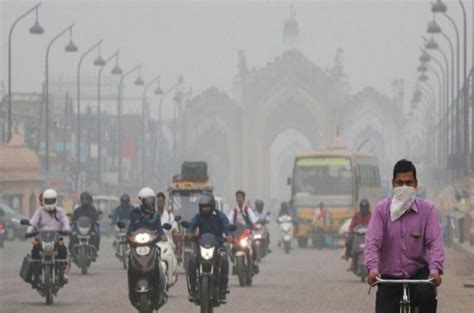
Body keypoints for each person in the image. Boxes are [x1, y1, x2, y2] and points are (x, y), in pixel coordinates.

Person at [365, 159, 444, 313]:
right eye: (400, 183)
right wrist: (372, 269)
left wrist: (435, 269)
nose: (404, 187)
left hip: (418, 274)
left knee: (428, 296)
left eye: (409, 183)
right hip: (389, 277)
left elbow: (435, 242)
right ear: (393, 184)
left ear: (416, 185)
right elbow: (372, 242)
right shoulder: (382, 210)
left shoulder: (427, 210)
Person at [186, 193, 232, 302]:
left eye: (207, 206)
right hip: (202, 246)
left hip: (218, 246)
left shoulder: (219, 215)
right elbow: (191, 226)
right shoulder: (199, 216)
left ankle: (222, 289)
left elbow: (226, 226)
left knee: (224, 260)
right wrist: (189, 233)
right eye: (203, 206)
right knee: (192, 260)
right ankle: (193, 290)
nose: (204, 209)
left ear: (212, 206)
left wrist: (229, 235)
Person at [127, 187, 167, 306]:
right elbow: (130, 230)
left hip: (151, 246)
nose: (150, 202)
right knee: (130, 262)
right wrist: (126, 237)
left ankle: (160, 288)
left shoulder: (155, 216)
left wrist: (162, 236)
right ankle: (132, 292)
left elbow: (159, 230)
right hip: (137, 246)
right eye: (147, 200)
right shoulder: (135, 214)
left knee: (159, 264)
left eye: (151, 200)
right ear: (142, 201)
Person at [27, 189, 70, 287]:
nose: (50, 203)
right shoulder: (39, 211)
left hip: (56, 237)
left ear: (55, 200)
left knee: (63, 249)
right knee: (34, 250)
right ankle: (36, 274)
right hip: (41, 237)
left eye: (52, 200)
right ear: (43, 200)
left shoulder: (60, 211)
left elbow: (65, 221)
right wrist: (29, 230)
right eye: (48, 200)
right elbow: (33, 222)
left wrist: (67, 229)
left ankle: (62, 272)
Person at [344, 199, 372, 268]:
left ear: (368, 208)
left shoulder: (372, 215)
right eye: (362, 207)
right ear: (360, 208)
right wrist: (351, 230)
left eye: (365, 207)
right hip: (358, 236)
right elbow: (352, 225)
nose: (364, 209)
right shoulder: (357, 215)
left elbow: (375, 225)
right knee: (349, 241)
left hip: (369, 236)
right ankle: (348, 255)